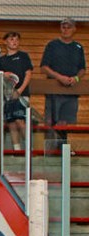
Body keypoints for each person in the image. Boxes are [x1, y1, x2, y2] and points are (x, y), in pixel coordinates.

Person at [41, 17, 86, 147]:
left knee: (64, 122)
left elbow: (82, 69)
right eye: (63, 27)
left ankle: (62, 151)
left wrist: (75, 79)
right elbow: (44, 67)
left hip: (71, 92)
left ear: (74, 29)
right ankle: (49, 152)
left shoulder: (78, 47)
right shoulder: (52, 45)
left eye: (69, 27)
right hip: (54, 90)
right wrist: (59, 77)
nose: (66, 30)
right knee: (50, 121)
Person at [0, 32, 34, 151]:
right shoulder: (1, 60)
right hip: (7, 96)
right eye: (12, 39)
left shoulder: (23, 56)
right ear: (5, 41)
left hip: (22, 95)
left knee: (20, 120)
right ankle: (16, 148)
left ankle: (29, 148)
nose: (14, 42)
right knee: (11, 122)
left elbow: (28, 74)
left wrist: (20, 90)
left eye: (17, 39)